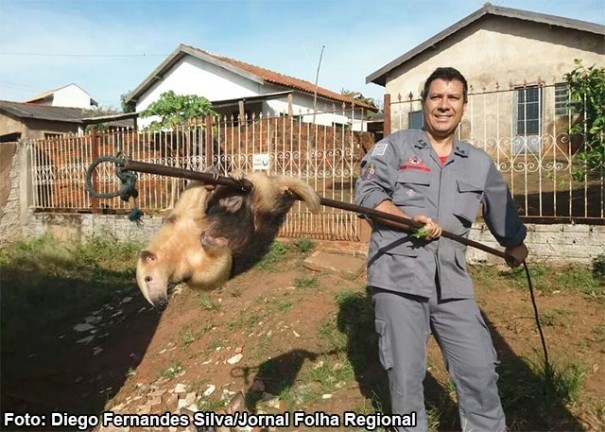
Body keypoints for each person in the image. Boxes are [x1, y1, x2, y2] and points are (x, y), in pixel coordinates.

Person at [355, 67, 528, 432]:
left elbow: (501, 206)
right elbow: (368, 196)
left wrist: (514, 243)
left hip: (452, 284)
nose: (444, 105)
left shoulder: (479, 163)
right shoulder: (394, 147)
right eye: (436, 97)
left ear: (464, 105)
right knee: (405, 381)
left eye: (453, 98)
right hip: (398, 280)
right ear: (424, 103)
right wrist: (406, 220)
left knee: (479, 371)